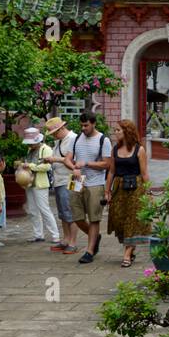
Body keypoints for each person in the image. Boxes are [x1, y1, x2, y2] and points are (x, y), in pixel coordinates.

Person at [65, 111, 112, 264]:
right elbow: (67, 159)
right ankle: (95, 236)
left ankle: (90, 251)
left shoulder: (103, 140)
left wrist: (86, 163)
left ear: (93, 124)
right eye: (82, 125)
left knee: (94, 219)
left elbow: (107, 164)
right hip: (76, 181)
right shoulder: (77, 138)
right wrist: (74, 167)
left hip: (95, 183)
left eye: (86, 125)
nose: (83, 128)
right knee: (76, 217)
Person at [106, 119, 151, 267]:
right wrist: (107, 191)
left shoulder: (140, 150)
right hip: (119, 187)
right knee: (119, 219)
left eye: (118, 130)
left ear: (127, 131)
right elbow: (111, 171)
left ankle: (126, 254)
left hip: (136, 188)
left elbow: (144, 174)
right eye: (115, 130)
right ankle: (130, 250)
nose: (115, 132)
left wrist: (148, 193)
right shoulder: (114, 150)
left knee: (133, 220)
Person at [17, 127, 60, 245]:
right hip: (30, 183)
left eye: (31, 143)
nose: (29, 145)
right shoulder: (29, 150)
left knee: (44, 209)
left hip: (41, 184)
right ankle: (38, 234)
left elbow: (47, 167)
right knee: (32, 210)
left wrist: (30, 166)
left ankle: (55, 235)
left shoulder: (46, 149)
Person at [43, 116, 78, 254]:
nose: (54, 136)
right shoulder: (59, 141)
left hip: (71, 179)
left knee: (72, 211)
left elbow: (74, 160)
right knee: (63, 212)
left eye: (55, 133)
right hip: (59, 179)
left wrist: (54, 159)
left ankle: (73, 242)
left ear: (62, 128)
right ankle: (66, 239)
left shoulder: (73, 139)